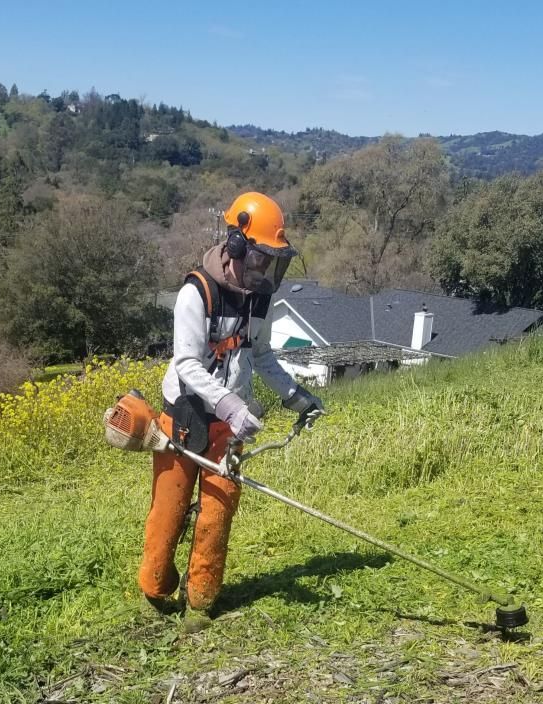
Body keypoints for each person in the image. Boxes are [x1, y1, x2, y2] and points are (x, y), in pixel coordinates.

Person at [138, 191, 325, 631]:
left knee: (217, 511)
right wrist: (229, 402)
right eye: (261, 259)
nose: (266, 271)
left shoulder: (260, 299)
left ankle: (201, 601)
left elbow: (260, 355)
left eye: (273, 262)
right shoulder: (196, 292)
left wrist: (295, 396)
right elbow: (185, 364)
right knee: (169, 508)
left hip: (229, 425)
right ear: (237, 245)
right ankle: (155, 590)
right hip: (183, 416)